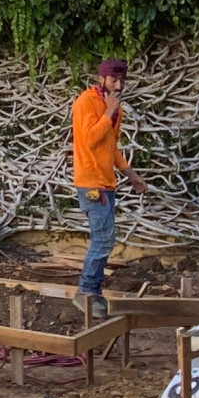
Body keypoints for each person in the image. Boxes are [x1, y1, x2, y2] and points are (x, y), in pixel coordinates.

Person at [71, 58, 144, 314]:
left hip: (107, 183)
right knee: (103, 239)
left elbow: (110, 145)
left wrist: (130, 174)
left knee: (105, 239)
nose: (119, 85)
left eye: (122, 80)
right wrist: (108, 113)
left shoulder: (113, 107)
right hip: (90, 183)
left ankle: (93, 291)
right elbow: (90, 140)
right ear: (101, 78)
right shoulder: (85, 103)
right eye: (114, 80)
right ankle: (87, 292)